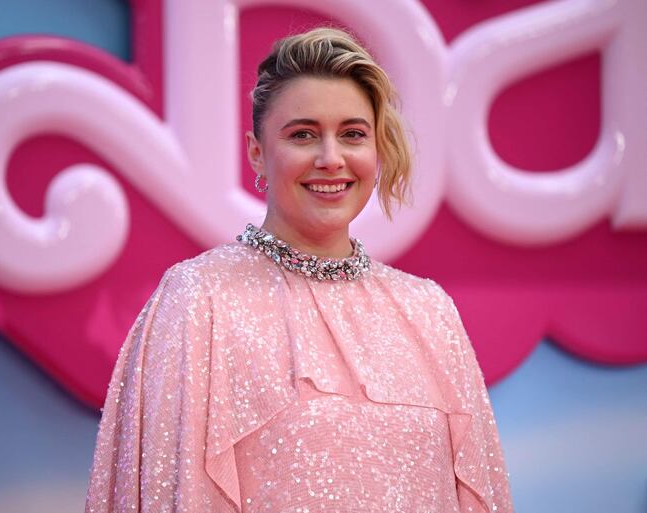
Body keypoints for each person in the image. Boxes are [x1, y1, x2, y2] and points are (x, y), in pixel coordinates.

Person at [85, 27, 514, 513]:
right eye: (303, 134)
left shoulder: (430, 312)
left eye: (353, 134)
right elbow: (167, 494)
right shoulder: (199, 300)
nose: (331, 159)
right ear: (256, 152)